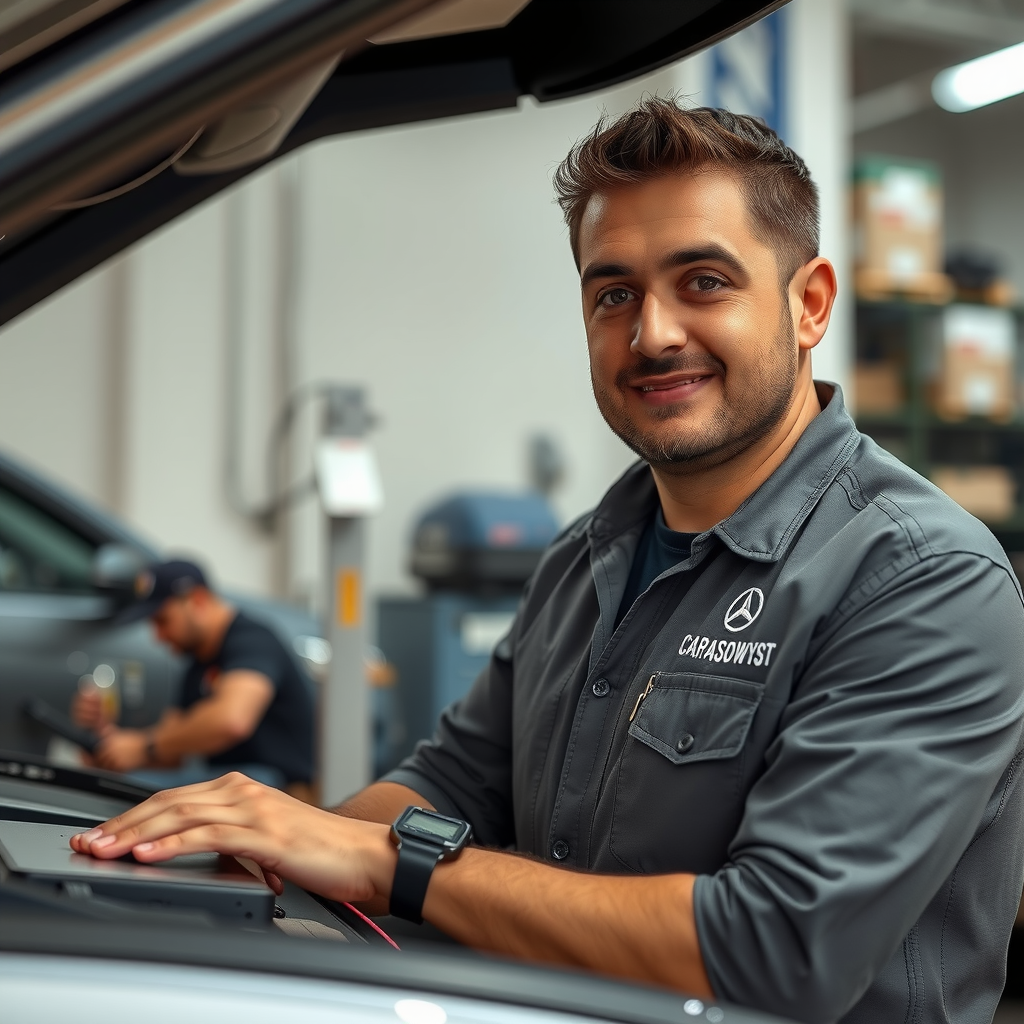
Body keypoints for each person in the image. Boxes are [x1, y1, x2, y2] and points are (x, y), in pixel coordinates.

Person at [73, 101, 1024, 1024]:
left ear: (809, 303)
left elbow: (778, 951)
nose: (652, 333)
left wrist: (383, 860)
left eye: (704, 281)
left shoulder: (922, 581)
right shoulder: (587, 556)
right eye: (615, 293)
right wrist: (265, 850)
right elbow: (452, 781)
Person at [73, 558, 315, 793]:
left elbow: (232, 721)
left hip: (284, 792)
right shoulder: (198, 665)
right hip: (244, 785)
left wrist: (143, 746)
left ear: (198, 600)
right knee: (115, 786)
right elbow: (170, 753)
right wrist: (111, 745)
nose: (158, 636)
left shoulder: (252, 640)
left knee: (140, 795)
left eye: (162, 620)